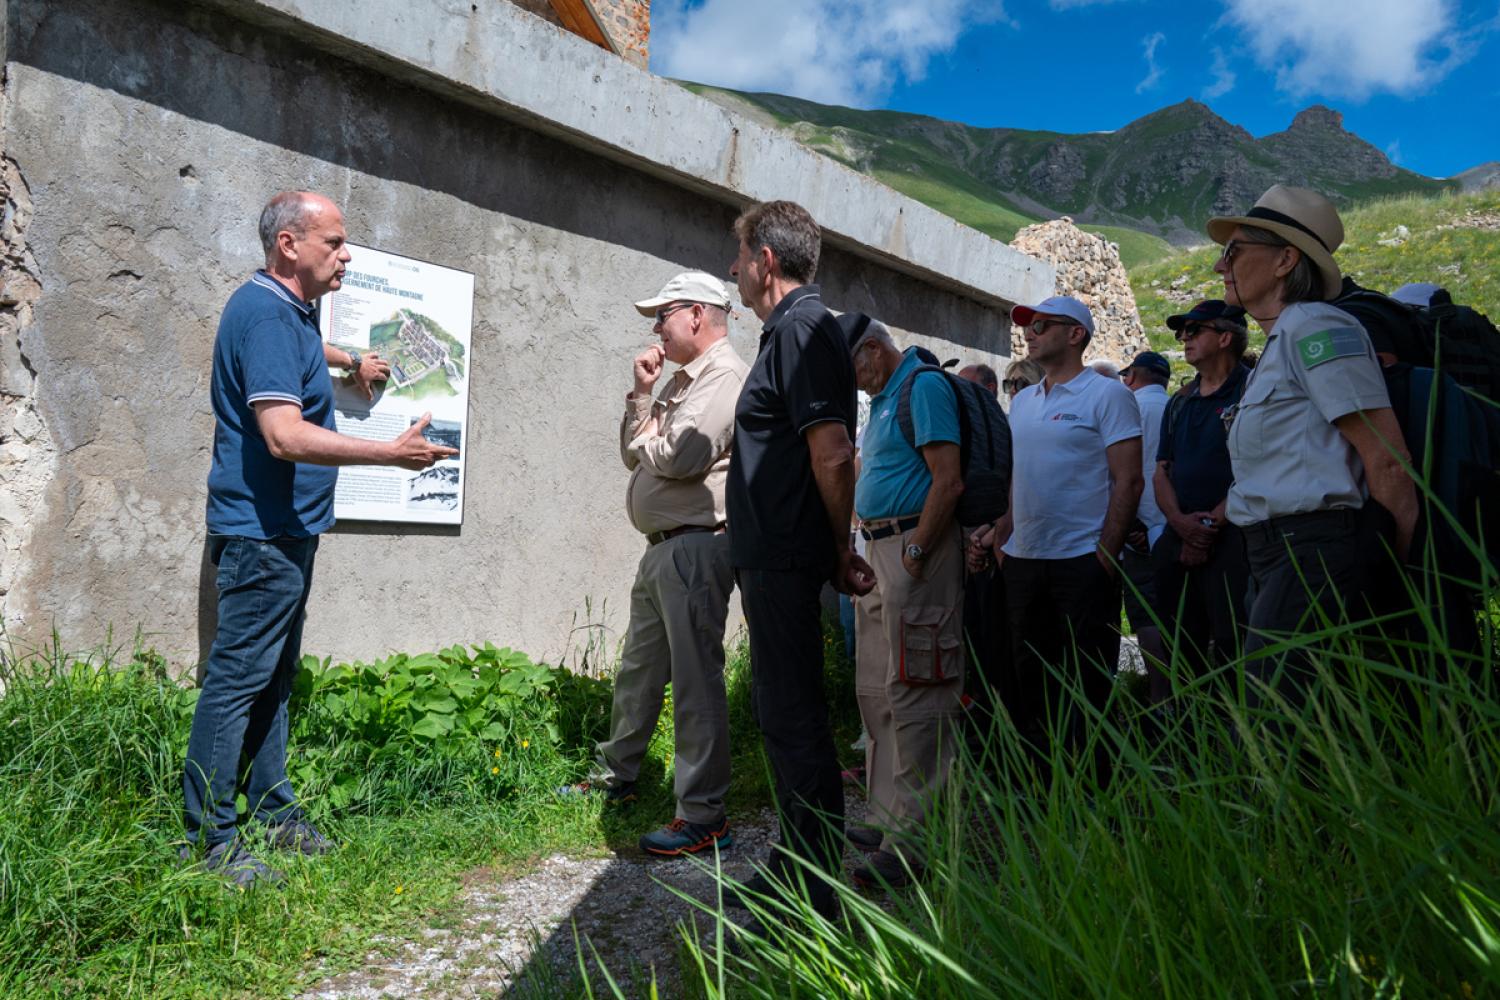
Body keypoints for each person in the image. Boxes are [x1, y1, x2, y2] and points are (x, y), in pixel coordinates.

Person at [184, 191, 456, 886]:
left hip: (286, 532)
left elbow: (305, 345)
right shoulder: (270, 316)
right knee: (236, 682)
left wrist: (348, 362)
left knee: (273, 679)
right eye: (333, 242)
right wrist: (388, 454)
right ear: (289, 247)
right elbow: (282, 435)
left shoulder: (291, 313)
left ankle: (273, 811)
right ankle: (209, 844)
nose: (346, 253)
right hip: (262, 535)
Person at [1206, 185, 1417, 706]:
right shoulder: (1280, 343)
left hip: (1313, 552)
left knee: (1276, 722)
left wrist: (1399, 571)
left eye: (1233, 251)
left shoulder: (1317, 327)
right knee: (1286, 715)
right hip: (1274, 554)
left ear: (1285, 260)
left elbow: (1385, 460)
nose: (1218, 266)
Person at [723, 201, 874, 919]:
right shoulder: (785, 332)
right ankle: (797, 862)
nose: (734, 270)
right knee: (782, 714)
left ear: (766, 261)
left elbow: (835, 453)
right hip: (774, 556)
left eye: (740, 256)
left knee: (794, 718)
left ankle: (816, 891)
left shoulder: (806, 328)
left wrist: (840, 551)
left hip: (786, 556)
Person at [574, 271, 747, 857]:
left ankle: (702, 815)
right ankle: (617, 775)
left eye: (663, 315)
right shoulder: (681, 381)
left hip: (697, 545)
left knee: (697, 682)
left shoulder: (723, 375)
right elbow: (635, 455)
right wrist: (643, 398)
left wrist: (653, 438)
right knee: (639, 669)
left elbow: (681, 455)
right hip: (664, 548)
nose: (654, 328)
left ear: (697, 315)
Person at [971, 296, 1142, 775]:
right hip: (1024, 562)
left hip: (1081, 561)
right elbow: (1015, 479)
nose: (1030, 332)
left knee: (1086, 682)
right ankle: (1041, 790)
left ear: (1076, 335)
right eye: (1028, 325)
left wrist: (1103, 560)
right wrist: (1003, 538)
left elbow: (1128, 480)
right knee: (1027, 681)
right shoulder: (1023, 401)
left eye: (1042, 325)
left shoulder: (1108, 395)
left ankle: (1091, 790)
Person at [842, 314, 964, 889]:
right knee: (878, 690)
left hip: (916, 550)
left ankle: (913, 845)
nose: (856, 382)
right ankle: (888, 819)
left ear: (872, 349)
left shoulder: (924, 386)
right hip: (880, 547)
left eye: (854, 369)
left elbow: (948, 479)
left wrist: (916, 552)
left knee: (919, 689)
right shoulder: (887, 395)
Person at [1150, 300, 1252, 702]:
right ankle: (1187, 733)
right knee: (1178, 642)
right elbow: (1162, 469)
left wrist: (1210, 525)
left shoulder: (1254, 390)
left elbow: (1258, 467)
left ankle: (1234, 733)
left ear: (1225, 337)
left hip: (1234, 539)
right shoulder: (1180, 401)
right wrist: (1179, 523)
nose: (1185, 339)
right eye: (1182, 333)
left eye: (1195, 330)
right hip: (1181, 536)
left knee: (1233, 641)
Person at [1119, 351, 1172, 667]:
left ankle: (1158, 693)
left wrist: (1129, 525)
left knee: (1146, 611)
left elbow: (1119, 470)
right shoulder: (1177, 405)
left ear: (1132, 376)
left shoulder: (1130, 407)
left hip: (1139, 528)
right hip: (1176, 524)